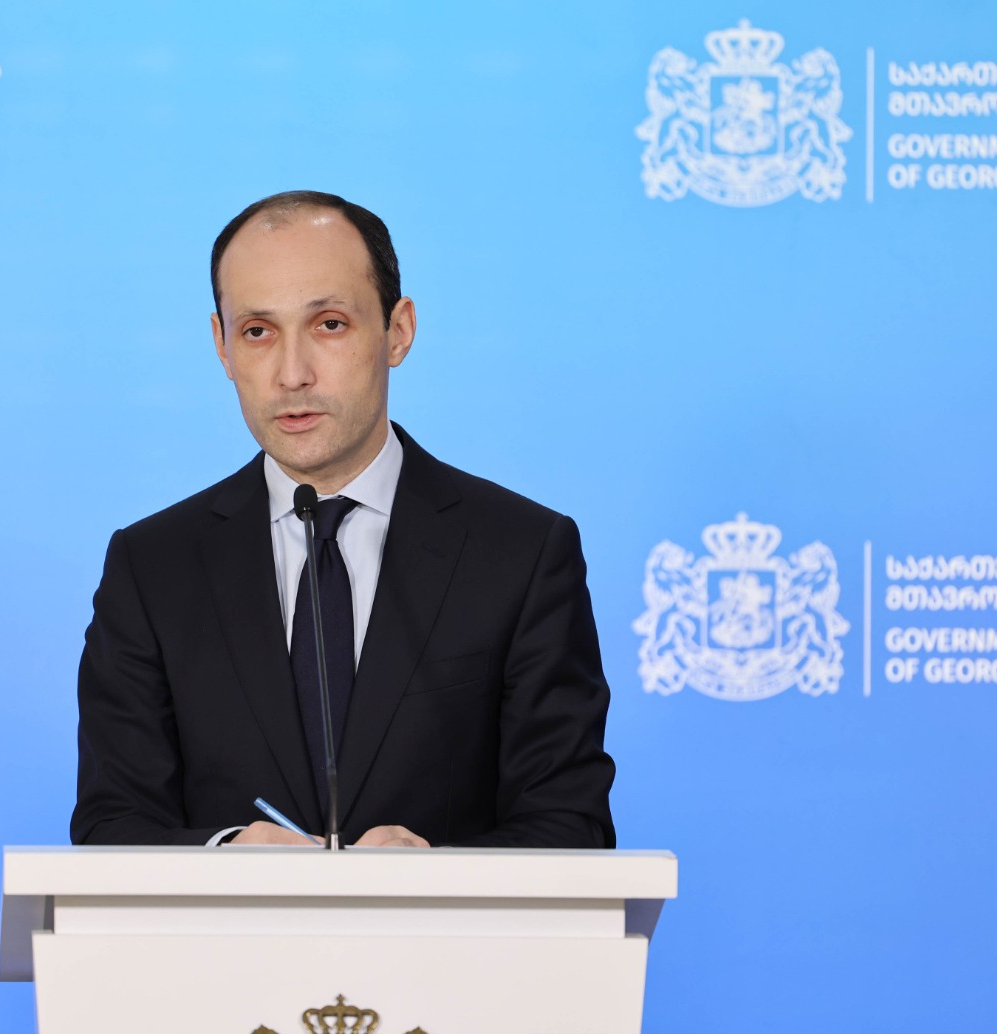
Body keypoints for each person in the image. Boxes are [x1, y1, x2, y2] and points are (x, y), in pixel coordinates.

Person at [70, 191, 615, 849]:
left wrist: (436, 876)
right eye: (257, 331)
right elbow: (111, 825)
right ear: (221, 346)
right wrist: (223, 855)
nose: (292, 375)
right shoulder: (153, 567)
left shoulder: (521, 552)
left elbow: (571, 826)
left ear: (398, 331)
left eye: (329, 324)